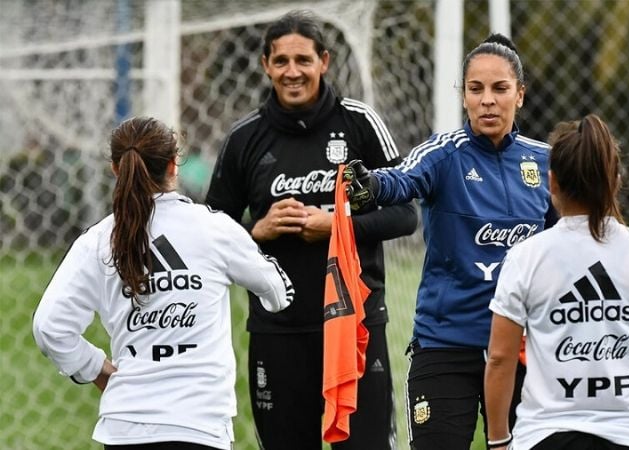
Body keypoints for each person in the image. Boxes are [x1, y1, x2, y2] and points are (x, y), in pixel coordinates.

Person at [204, 9, 418, 450]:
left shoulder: (359, 124)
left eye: (303, 60)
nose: (292, 72)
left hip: (354, 324)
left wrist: (336, 227)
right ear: (265, 65)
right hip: (278, 328)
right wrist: (257, 229)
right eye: (281, 61)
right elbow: (211, 231)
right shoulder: (245, 138)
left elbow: (406, 215)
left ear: (324, 61)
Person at [345, 33, 557, 450]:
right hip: (446, 346)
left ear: (521, 95)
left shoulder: (544, 161)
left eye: (500, 89)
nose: (488, 100)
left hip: (521, 350)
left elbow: (572, 232)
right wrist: (369, 186)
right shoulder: (444, 154)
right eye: (476, 89)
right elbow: (401, 179)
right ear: (463, 97)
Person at [32, 116, 294, 450]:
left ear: (115, 169)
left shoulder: (97, 240)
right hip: (199, 426)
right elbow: (278, 291)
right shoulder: (214, 229)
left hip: (126, 426)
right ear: (174, 165)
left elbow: (49, 328)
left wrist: (97, 370)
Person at [484, 114, 629, 450]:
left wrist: (499, 440)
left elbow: (500, 358)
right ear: (615, 180)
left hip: (545, 437)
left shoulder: (526, 257)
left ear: (552, 183)